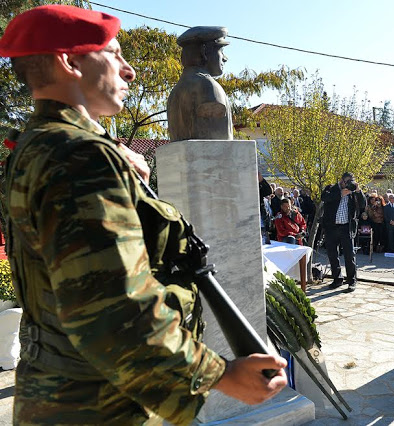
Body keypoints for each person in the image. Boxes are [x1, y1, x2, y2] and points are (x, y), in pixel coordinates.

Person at [0, 6, 287, 424]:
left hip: (64, 391)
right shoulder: (80, 158)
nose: (129, 70)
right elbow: (113, 312)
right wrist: (220, 375)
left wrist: (108, 151)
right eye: (114, 54)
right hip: (101, 404)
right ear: (70, 61)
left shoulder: (37, 145)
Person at [167, 26, 233, 141]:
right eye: (221, 51)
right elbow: (218, 143)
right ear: (204, 52)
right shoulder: (207, 86)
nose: (225, 58)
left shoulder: (176, 90)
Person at [321, 172, 366, 292]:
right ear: (342, 180)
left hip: (346, 227)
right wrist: (340, 194)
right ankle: (337, 279)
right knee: (332, 254)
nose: (349, 183)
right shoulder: (331, 188)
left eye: (352, 181)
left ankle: (351, 281)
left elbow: (363, 205)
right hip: (331, 227)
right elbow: (324, 198)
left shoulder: (353, 193)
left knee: (349, 255)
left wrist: (358, 191)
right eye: (347, 181)